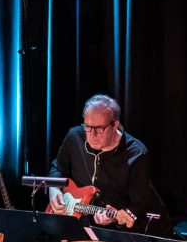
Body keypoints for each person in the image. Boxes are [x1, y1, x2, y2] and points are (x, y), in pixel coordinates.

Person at [48, 94, 171, 234]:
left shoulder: (136, 153)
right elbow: (58, 167)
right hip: (79, 225)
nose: (92, 135)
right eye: (87, 126)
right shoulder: (75, 136)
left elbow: (139, 205)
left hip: (119, 233)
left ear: (115, 125)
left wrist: (113, 218)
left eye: (99, 129)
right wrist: (54, 189)